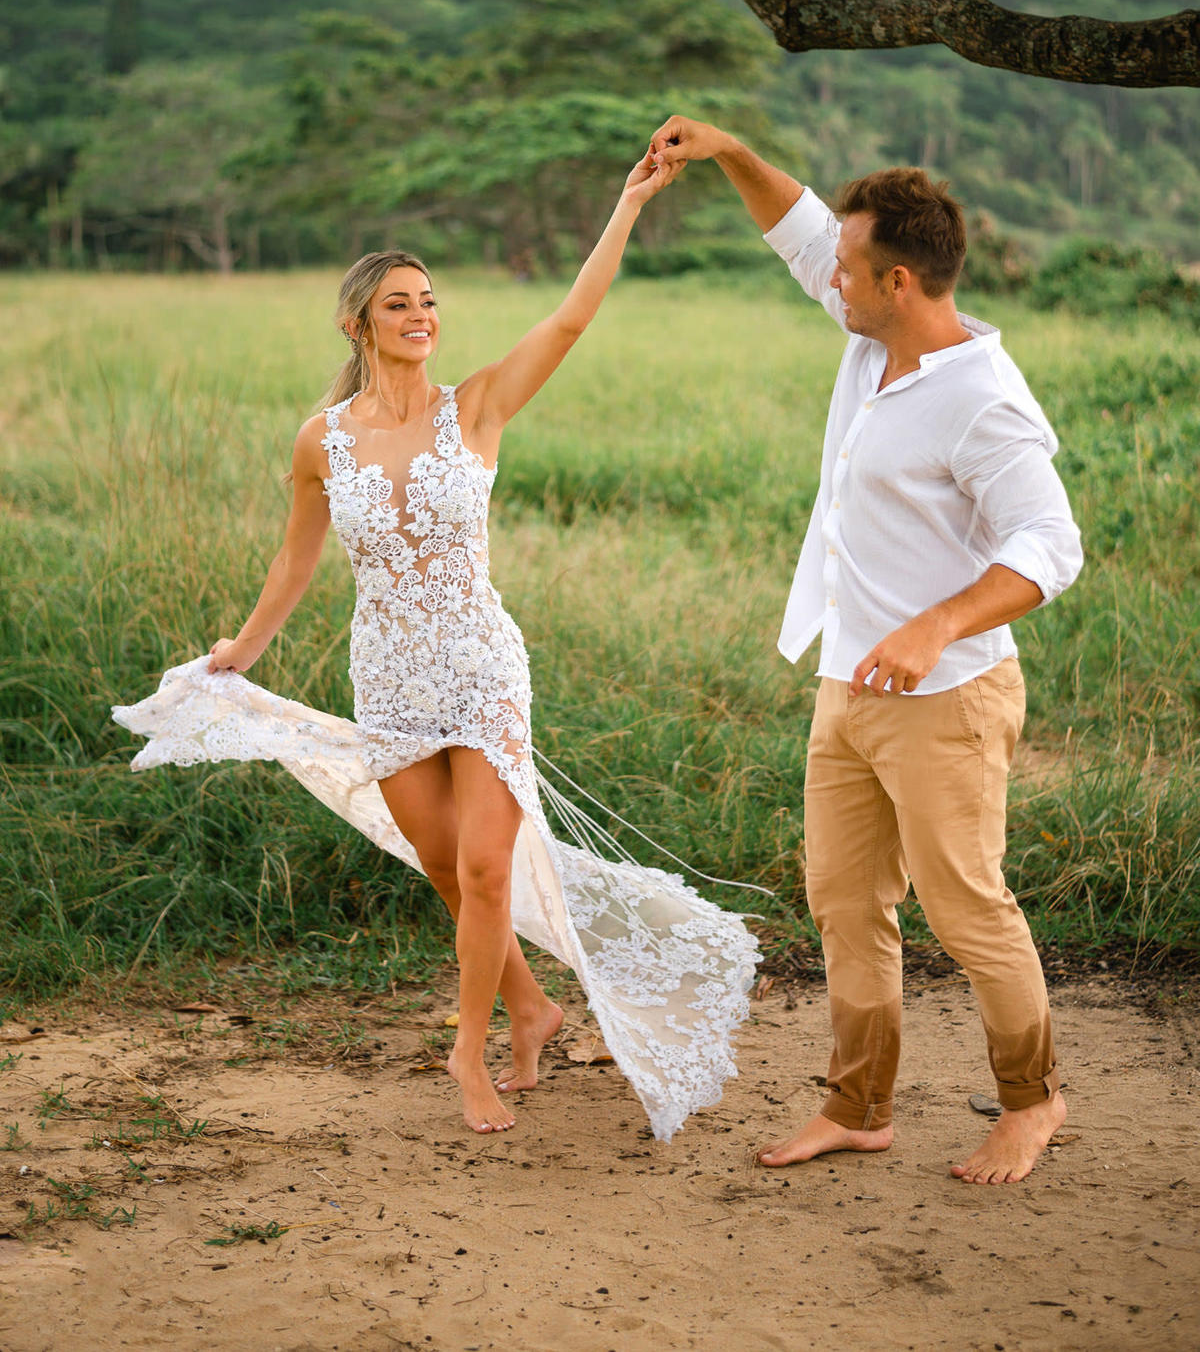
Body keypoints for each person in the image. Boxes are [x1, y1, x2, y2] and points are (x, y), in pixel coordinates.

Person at [114, 151, 758, 1140]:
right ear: (359, 323)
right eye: (400, 305)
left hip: (482, 663)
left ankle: (470, 1049)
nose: (422, 317)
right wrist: (238, 649)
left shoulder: (481, 405)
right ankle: (533, 1007)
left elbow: (572, 318)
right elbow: (295, 567)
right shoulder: (320, 440)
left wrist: (626, 206)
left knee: (491, 868)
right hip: (389, 676)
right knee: (450, 870)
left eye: (429, 302)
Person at [648, 115, 1083, 1184]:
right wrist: (729, 153)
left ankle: (1034, 1102)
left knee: (967, 908)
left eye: (847, 269)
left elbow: (1051, 545)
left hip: (950, 698)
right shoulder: (872, 339)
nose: (827, 281)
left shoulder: (983, 399)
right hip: (848, 684)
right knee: (845, 903)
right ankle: (859, 1104)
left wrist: (937, 622)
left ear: (898, 279)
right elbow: (800, 230)